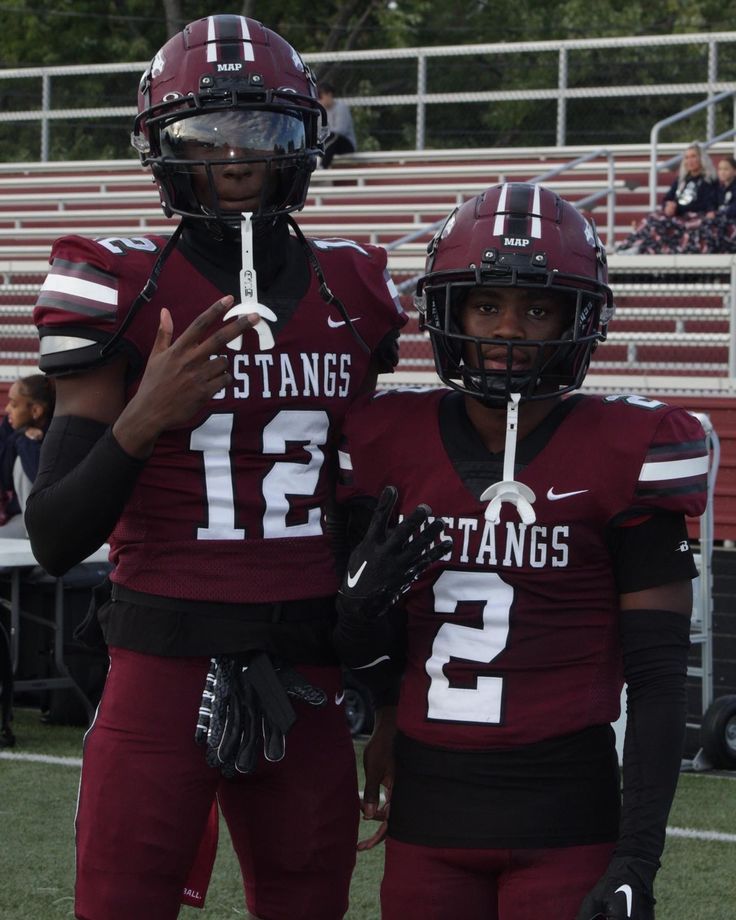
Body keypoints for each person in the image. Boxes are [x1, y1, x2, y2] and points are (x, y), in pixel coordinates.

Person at [25, 14, 405, 920]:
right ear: (165, 150)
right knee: (119, 903)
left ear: (302, 143)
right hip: (160, 658)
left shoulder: (352, 288)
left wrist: (384, 687)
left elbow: (366, 508)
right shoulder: (119, 283)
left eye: (262, 130)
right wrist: (143, 417)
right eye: (208, 134)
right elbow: (53, 535)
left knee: (309, 903)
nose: (237, 157)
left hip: (306, 664)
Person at [333, 183, 709, 920]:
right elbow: (354, 642)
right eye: (486, 306)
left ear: (578, 319)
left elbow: (660, 680)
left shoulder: (632, 448)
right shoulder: (385, 439)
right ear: (450, 313)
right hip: (427, 816)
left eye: (537, 309)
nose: (509, 330)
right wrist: (355, 612)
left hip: (566, 818)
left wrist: (638, 856)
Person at [617, 141, 717, 253]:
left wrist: (677, 208)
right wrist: (668, 206)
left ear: (701, 159)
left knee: (658, 221)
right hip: (677, 216)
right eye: (687, 157)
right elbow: (667, 198)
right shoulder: (681, 180)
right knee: (650, 218)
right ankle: (630, 246)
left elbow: (706, 204)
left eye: (693, 156)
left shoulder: (709, 180)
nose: (690, 161)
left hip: (693, 217)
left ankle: (640, 248)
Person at [0, 373, 55, 537]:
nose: (7, 408)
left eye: (14, 404)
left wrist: (25, 442)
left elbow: (38, 479)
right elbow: (5, 479)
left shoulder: (55, 432)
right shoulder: (11, 426)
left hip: (46, 526)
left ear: (36, 410)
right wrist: (21, 434)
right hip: (18, 517)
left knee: (20, 464)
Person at [686, 154, 736, 253]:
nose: (722, 172)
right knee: (695, 222)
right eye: (720, 169)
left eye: (726, 169)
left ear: (734, 171)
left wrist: (717, 214)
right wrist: (711, 211)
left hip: (731, 221)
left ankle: (710, 253)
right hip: (718, 219)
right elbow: (710, 203)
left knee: (708, 225)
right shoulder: (718, 188)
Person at [317, 81, 357, 168]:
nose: (319, 100)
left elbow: (341, 130)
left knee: (333, 135)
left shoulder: (341, 108)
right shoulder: (320, 111)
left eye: (321, 97)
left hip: (346, 145)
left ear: (329, 95)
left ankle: (322, 166)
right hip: (330, 146)